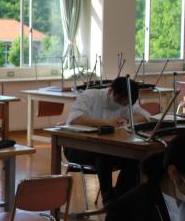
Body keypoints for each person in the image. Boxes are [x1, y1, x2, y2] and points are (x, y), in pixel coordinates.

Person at [64, 76, 151, 205]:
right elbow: (75, 119)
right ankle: (108, 199)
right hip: (78, 147)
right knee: (103, 154)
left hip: (112, 147)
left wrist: (127, 120)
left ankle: (121, 196)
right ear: (110, 91)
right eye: (119, 101)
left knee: (135, 158)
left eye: (125, 104)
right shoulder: (90, 96)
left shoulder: (127, 99)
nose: (122, 105)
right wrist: (105, 122)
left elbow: (144, 116)